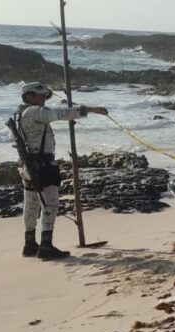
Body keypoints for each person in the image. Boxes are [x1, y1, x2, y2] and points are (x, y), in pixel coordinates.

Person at [13, 82, 108, 260]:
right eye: (39, 95)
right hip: (42, 165)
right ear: (29, 96)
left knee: (31, 203)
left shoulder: (19, 113)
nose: (43, 98)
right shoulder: (34, 111)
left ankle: (30, 244)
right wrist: (90, 110)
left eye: (43, 95)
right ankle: (46, 246)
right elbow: (58, 114)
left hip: (26, 165)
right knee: (50, 204)